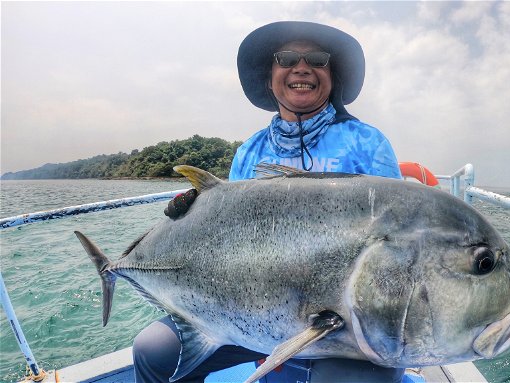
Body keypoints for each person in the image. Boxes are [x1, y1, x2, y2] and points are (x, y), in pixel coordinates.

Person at [136, 21, 404, 383]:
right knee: (153, 349)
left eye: (318, 59)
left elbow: (396, 244)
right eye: (287, 58)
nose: (302, 66)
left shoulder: (367, 143)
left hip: (345, 325)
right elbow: (226, 241)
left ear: (333, 76)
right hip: (252, 314)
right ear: (270, 77)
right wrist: (193, 215)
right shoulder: (250, 151)